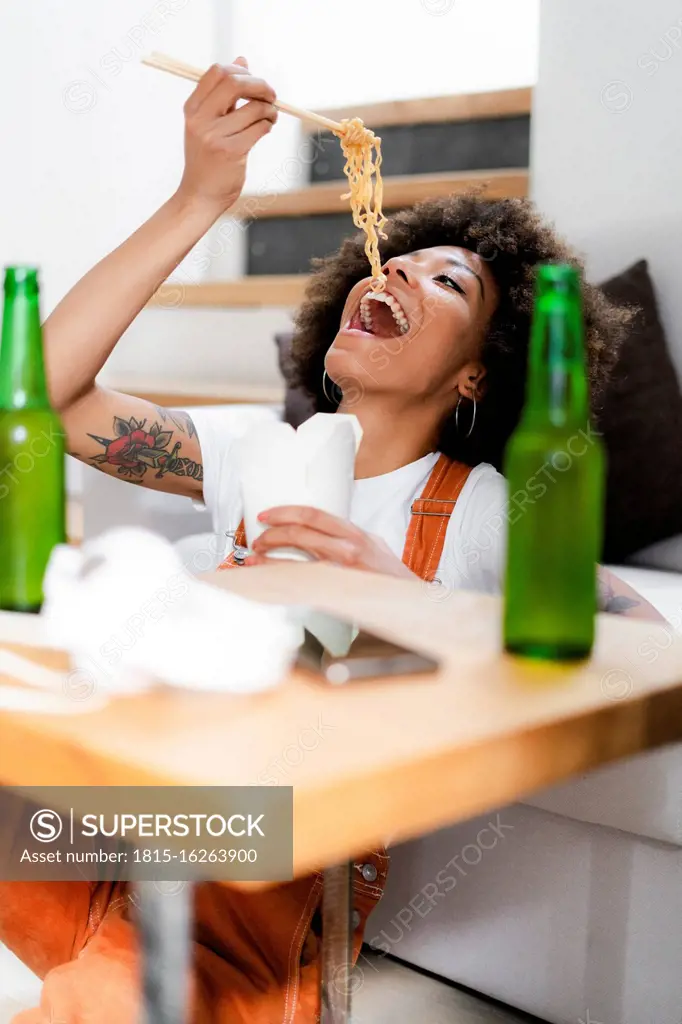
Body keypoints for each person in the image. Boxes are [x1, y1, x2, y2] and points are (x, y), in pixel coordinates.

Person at [0, 58, 663, 1024]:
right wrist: (199, 197)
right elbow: (49, 399)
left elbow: (644, 651)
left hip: (261, 885)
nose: (392, 267)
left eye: (448, 280)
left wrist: (410, 601)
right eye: (394, 258)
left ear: (479, 374)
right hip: (120, 839)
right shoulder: (250, 451)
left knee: (103, 1001)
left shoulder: (482, 511)